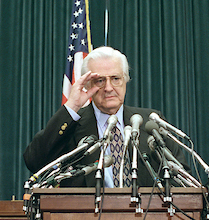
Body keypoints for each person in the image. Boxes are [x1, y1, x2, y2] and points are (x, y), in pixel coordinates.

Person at [23, 46, 188, 188]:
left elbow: (181, 178)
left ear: (125, 80)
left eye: (115, 79)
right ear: (87, 85)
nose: (108, 88)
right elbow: (35, 162)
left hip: (145, 219)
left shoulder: (150, 122)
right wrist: (72, 106)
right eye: (100, 80)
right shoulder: (73, 125)